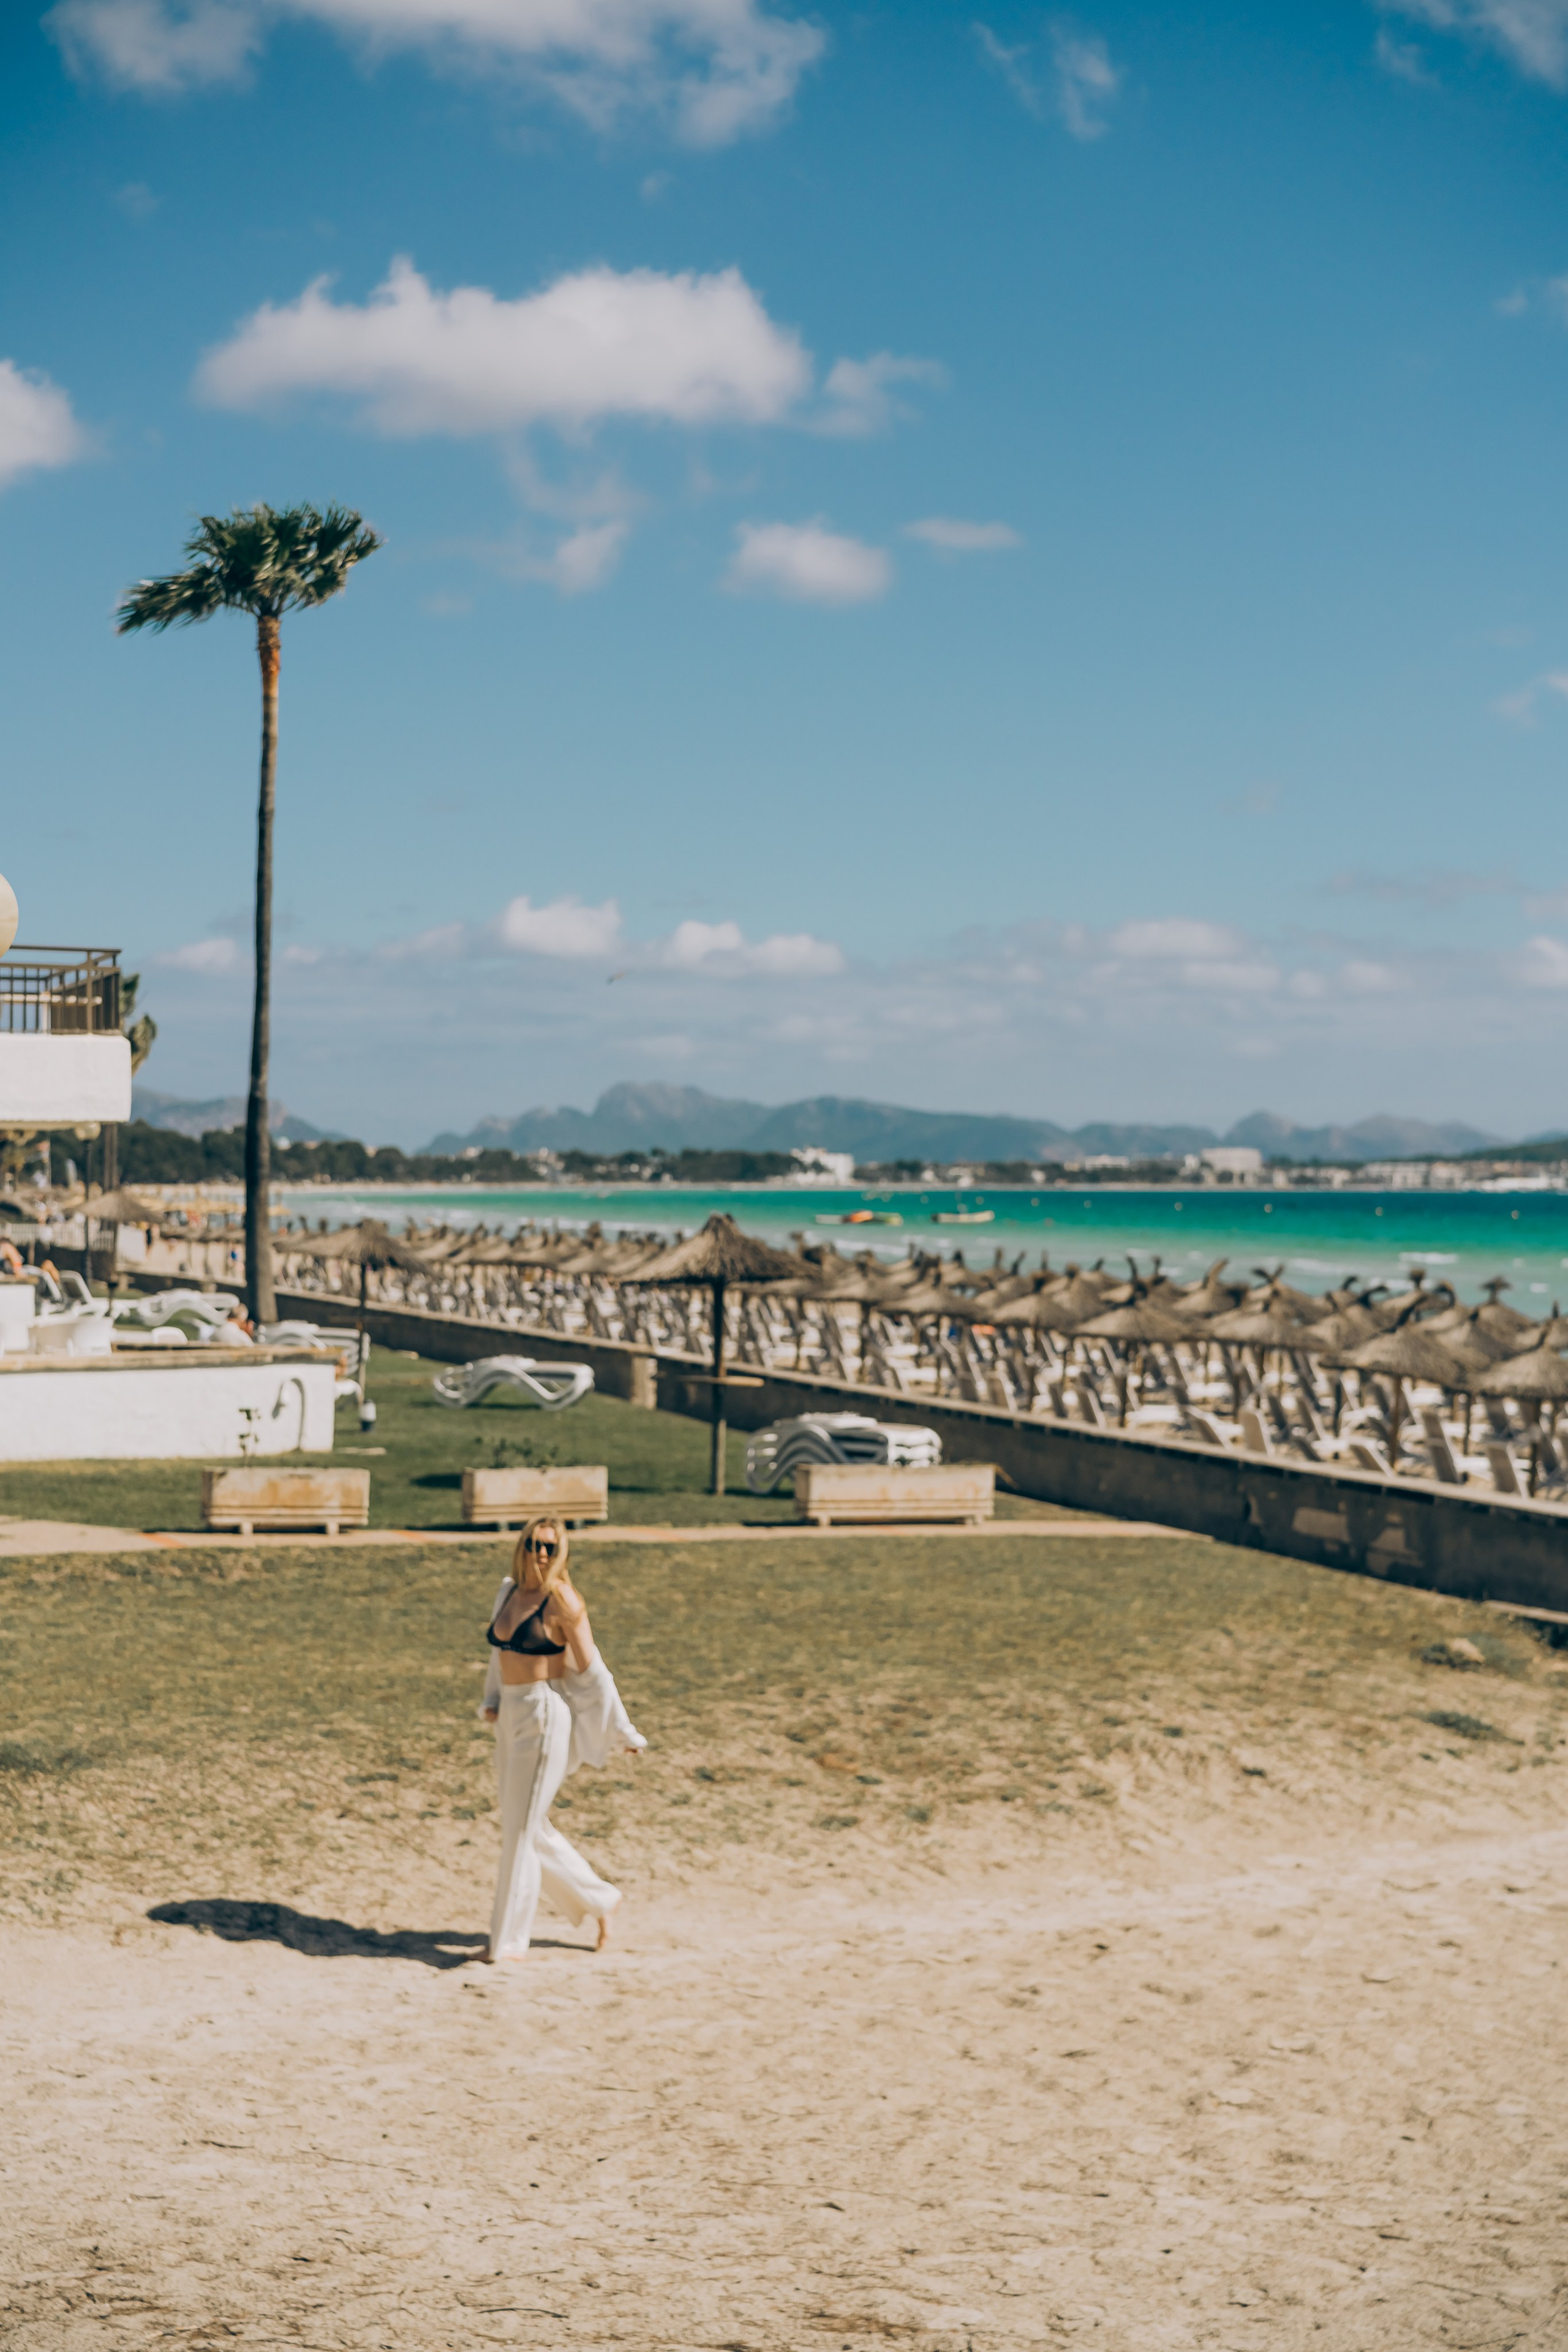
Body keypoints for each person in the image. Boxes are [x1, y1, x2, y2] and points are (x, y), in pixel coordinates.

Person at [479, 1517, 644, 1962]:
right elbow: (499, 1655)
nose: (542, 1554)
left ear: (562, 1552)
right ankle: (600, 1899)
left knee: (519, 1832)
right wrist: (491, 1699)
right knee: (526, 1828)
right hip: (510, 1716)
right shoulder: (509, 1591)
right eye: (535, 1544)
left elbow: (594, 1673)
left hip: (544, 1716)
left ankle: (507, 1944)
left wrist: (623, 1729)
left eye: (551, 1547)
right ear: (523, 1546)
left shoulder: (563, 1600)